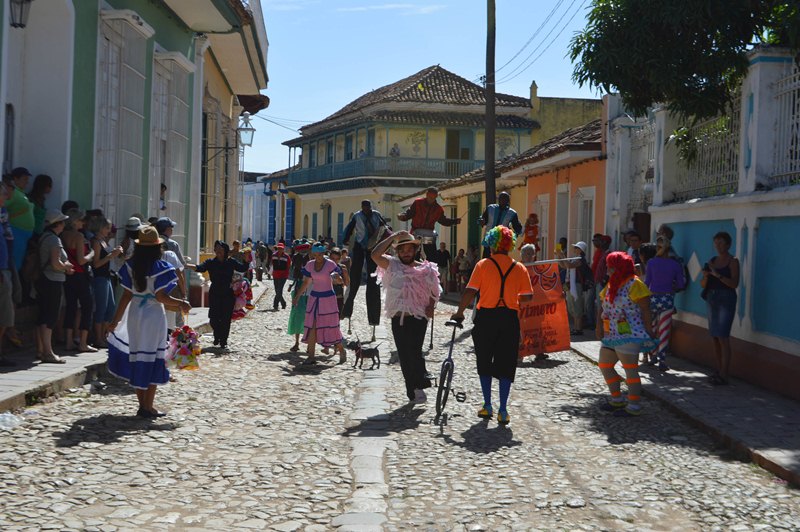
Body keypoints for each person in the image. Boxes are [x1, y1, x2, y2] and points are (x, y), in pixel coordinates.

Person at [451, 226, 534, 425]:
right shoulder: (519, 267)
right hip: (509, 318)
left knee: (484, 360)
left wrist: (460, 312)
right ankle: (503, 410)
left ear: (491, 243)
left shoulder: (483, 265)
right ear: (510, 244)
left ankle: (487, 405)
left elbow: (470, 291)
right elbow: (528, 296)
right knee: (506, 364)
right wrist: (512, 299)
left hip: (486, 317)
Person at [107, 225, 190, 418]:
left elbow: (126, 297)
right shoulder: (160, 267)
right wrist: (181, 303)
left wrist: (115, 321)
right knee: (153, 357)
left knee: (138, 355)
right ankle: (148, 406)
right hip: (153, 315)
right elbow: (161, 297)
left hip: (135, 313)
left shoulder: (130, 265)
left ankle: (141, 405)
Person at [372, 231, 440, 403]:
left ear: (415, 250)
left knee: (415, 352)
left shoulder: (426, 269)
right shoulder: (392, 265)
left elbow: (435, 291)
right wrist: (392, 237)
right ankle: (412, 388)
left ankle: (419, 384)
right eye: (402, 251)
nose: (406, 253)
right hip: (398, 317)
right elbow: (375, 254)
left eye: (409, 250)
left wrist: (431, 306)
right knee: (404, 354)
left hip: (418, 317)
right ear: (397, 252)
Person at [595, 252, 656, 417]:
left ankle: (634, 405)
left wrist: (649, 331)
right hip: (611, 334)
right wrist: (599, 326)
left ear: (619, 267)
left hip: (630, 334)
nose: (608, 268)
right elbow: (602, 305)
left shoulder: (635, 284)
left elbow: (645, 309)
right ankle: (617, 399)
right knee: (605, 365)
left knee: (630, 370)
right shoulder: (611, 284)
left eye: (611, 266)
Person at [186, 240, 248, 350]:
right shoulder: (210, 262)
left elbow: (242, 268)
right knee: (214, 318)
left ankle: (223, 340)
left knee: (226, 318)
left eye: (221, 248)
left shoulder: (231, 262)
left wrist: (246, 260)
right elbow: (200, 268)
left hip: (228, 294)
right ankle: (217, 335)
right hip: (215, 293)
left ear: (225, 250)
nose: (218, 250)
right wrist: (187, 265)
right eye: (216, 248)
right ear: (214, 250)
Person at [292, 242, 347, 365]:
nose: (317, 257)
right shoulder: (310, 265)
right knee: (313, 326)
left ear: (323, 254)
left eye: (319, 255)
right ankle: (311, 356)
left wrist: (338, 279)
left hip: (328, 299)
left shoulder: (330, 265)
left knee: (331, 327)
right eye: (315, 255)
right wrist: (297, 296)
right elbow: (306, 282)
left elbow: (339, 280)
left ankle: (341, 350)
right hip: (315, 298)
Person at [341, 200, 390, 327]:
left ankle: (373, 317)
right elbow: (349, 229)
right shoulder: (357, 216)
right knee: (355, 276)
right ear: (362, 207)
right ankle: (347, 311)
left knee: (373, 280)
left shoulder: (376, 214)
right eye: (364, 207)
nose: (366, 209)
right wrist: (345, 240)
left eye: (368, 207)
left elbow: (384, 226)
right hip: (359, 245)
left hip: (372, 247)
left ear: (370, 207)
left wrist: (390, 237)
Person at [35, 210, 73, 364]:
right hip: (52, 280)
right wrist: (67, 267)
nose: (64, 224)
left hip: (44, 279)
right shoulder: (54, 240)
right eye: (63, 221)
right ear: (58, 224)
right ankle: (48, 352)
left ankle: (42, 350)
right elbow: (55, 263)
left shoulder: (45, 237)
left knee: (43, 315)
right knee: (50, 316)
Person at [701, 231, 739, 385]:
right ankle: (717, 369)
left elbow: (734, 284)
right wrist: (705, 276)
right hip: (712, 297)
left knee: (723, 336)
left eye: (721, 242)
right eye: (716, 242)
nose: (718, 246)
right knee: (715, 336)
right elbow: (703, 285)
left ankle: (724, 373)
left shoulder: (733, 261)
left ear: (728, 244)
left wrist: (718, 275)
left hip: (726, 298)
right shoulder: (712, 260)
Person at [643, 235, 686, 370]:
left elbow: (647, 283)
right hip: (667, 299)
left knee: (653, 328)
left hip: (653, 298)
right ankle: (662, 360)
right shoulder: (675, 264)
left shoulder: (651, 263)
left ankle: (653, 354)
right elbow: (680, 284)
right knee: (664, 330)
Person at [61, 208, 96, 353]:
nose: (84, 222)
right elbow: (82, 260)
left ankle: (68, 341)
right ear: (75, 221)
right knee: (87, 306)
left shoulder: (63, 235)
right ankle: (83, 342)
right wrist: (92, 254)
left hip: (68, 275)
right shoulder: (79, 236)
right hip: (80, 274)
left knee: (71, 307)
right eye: (81, 220)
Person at [396, 187, 461, 259]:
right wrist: (403, 217)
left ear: (436, 196)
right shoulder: (417, 203)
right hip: (416, 231)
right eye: (430, 197)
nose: (431, 200)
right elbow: (409, 214)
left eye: (433, 198)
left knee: (432, 256)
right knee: (414, 253)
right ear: (426, 195)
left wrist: (455, 221)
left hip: (429, 233)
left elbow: (443, 221)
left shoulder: (438, 209)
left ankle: (431, 268)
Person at [90, 217, 123, 348]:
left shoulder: (104, 241)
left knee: (110, 308)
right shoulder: (96, 242)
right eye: (107, 228)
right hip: (99, 277)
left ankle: (104, 336)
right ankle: (98, 338)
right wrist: (111, 256)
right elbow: (96, 263)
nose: (109, 231)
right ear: (100, 228)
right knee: (101, 308)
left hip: (107, 277)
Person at [155, 217, 187, 327]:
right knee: (177, 318)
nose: (172, 230)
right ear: (166, 229)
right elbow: (180, 270)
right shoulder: (173, 245)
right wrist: (183, 290)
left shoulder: (152, 243)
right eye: (171, 228)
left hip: (155, 286)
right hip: (172, 285)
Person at [4, 167, 34, 270]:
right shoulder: (13, 192)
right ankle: (11, 282)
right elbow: (3, 205)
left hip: (24, 233)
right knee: (14, 260)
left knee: (20, 261)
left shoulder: (21, 193)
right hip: (16, 231)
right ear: (15, 179)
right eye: (24, 179)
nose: (27, 182)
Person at [479, 191, 522, 258]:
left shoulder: (512, 213)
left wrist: (512, 237)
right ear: (498, 199)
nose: (502, 200)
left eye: (505, 198)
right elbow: (482, 219)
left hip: (502, 244)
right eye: (501, 198)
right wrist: (481, 221)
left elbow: (518, 228)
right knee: (486, 261)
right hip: (489, 241)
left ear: (508, 200)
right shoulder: (490, 208)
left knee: (500, 261)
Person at [0, 182, 15, 366]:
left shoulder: (3, 214)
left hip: (6, 266)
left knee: (6, 315)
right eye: (3, 194)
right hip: (1, 270)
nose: (6, 197)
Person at [564, 241, 592, 335]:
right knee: (572, 307)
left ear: (580, 250)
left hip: (577, 285)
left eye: (576, 247)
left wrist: (562, 256)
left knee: (577, 307)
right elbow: (564, 265)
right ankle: (576, 328)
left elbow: (569, 265)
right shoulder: (574, 258)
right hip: (571, 284)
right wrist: (560, 257)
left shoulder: (580, 259)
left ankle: (578, 328)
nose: (574, 249)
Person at [287, 240, 311, 352]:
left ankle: (309, 344)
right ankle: (297, 342)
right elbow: (295, 273)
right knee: (297, 314)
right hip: (298, 287)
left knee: (310, 316)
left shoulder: (312, 259)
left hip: (311, 288)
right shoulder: (296, 257)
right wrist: (292, 285)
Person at [329, 247, 350, 317]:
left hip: (338, 297)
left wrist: (345, 274)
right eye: (332, 258)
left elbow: (347, 283)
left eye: (337, 259)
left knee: (336, 320)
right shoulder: (325, 267)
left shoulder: (342, 268)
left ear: (340, 258)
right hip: (326, 297)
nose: (334, 261)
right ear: (329, 257)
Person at [271, 242, 291, 310]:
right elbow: (272, 264)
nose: (280, 250)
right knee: (277, 290)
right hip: (275, 275)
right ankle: (283, 302)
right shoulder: (273, 255)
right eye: (279, 248)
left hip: (283, 276)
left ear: (283, 249)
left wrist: (287, 274)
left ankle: (275, 305)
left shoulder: (286, 256)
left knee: (279, 289)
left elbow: (288, 266)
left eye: (281, 248)